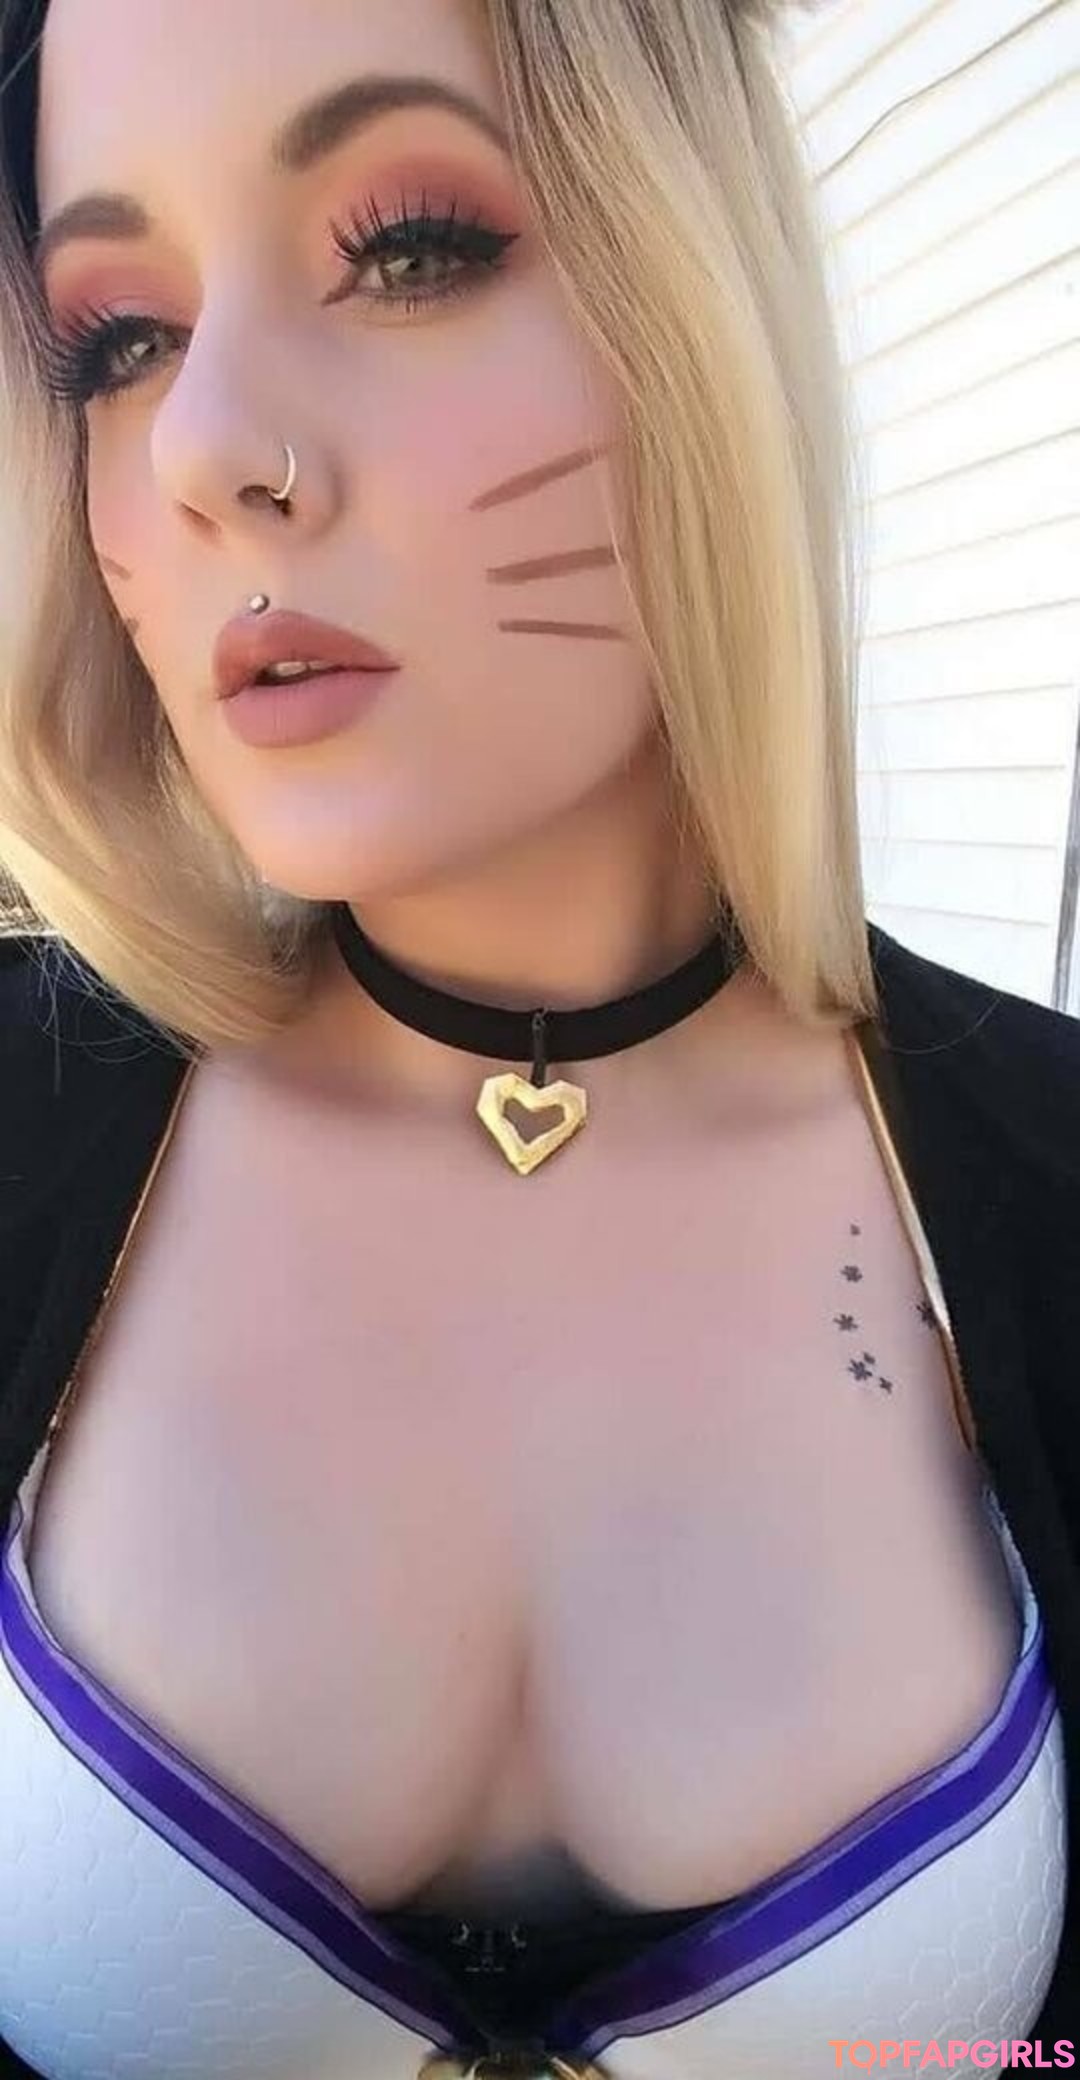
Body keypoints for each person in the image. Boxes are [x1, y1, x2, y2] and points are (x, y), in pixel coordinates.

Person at [0, 0, 1077, 2073]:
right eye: (119, 338)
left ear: (701, 294)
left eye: (408, 247)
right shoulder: (25, 1120)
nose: (213, 450)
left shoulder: (1048, 1176)